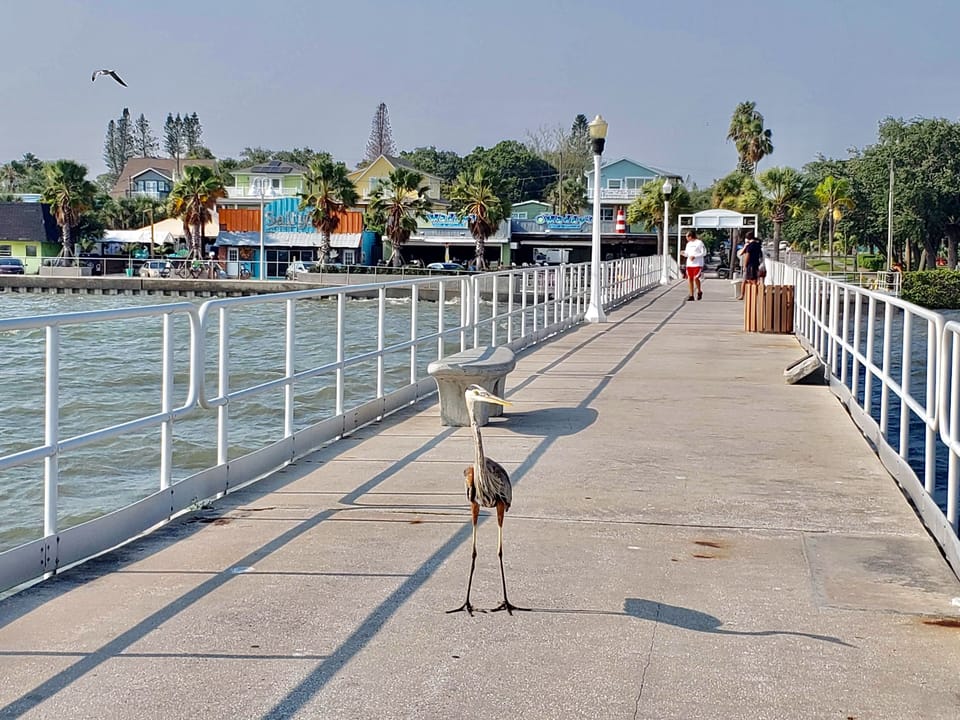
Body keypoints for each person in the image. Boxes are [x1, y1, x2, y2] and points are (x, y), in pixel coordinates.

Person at [680, 230, 707, 301]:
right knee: (690, 278)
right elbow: (687, 254)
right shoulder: (688, 244)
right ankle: (691, 295)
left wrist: (695, 256)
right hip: (689, 264)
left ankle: (699, 291)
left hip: (698, 264)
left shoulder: (699, 243)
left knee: (696, 278)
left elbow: (704, 253)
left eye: (687, 236)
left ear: (690, 236)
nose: (686, 238)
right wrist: (683, 253)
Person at [737, 230, 763, 300]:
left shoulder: (750, 246)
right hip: (756, 264)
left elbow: (746, 256)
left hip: (750, 265)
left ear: (747, 238)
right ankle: (755, 294)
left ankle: (744, 295)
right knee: (754, 280)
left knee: (749, 280)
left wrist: (745, 266)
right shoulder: (758, 245)